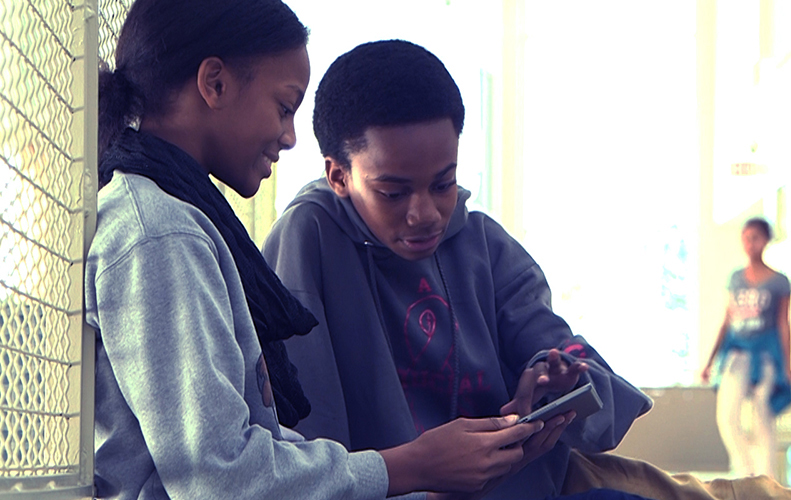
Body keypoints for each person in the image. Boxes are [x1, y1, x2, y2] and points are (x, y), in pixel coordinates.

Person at [86, 2, 555, 498]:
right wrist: (413, 466)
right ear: (215, 84)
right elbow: (220, 476)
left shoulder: (178, 217)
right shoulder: (159, 233)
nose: (289, 137)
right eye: (284, 107)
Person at [261, 39, 654, 500]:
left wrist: (557, 382)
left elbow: (588, 382)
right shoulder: (306, 243)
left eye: (443, 182)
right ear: (339, 176)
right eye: (394, 192)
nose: (424, 213)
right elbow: (303, 443)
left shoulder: (484, 246)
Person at [702, 217, 791, 480]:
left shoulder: (779, 282)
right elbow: (726, 320)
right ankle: (744, 471)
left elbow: (783, 323)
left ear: (765, 240)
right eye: (746, 238)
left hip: (765, 357)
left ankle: (765, 477)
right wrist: (709, 361)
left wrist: (788, 366)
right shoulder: (735, 279)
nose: (750, 244)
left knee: (762, 416)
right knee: (727, 415)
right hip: (736, 355)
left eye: (755, 238)